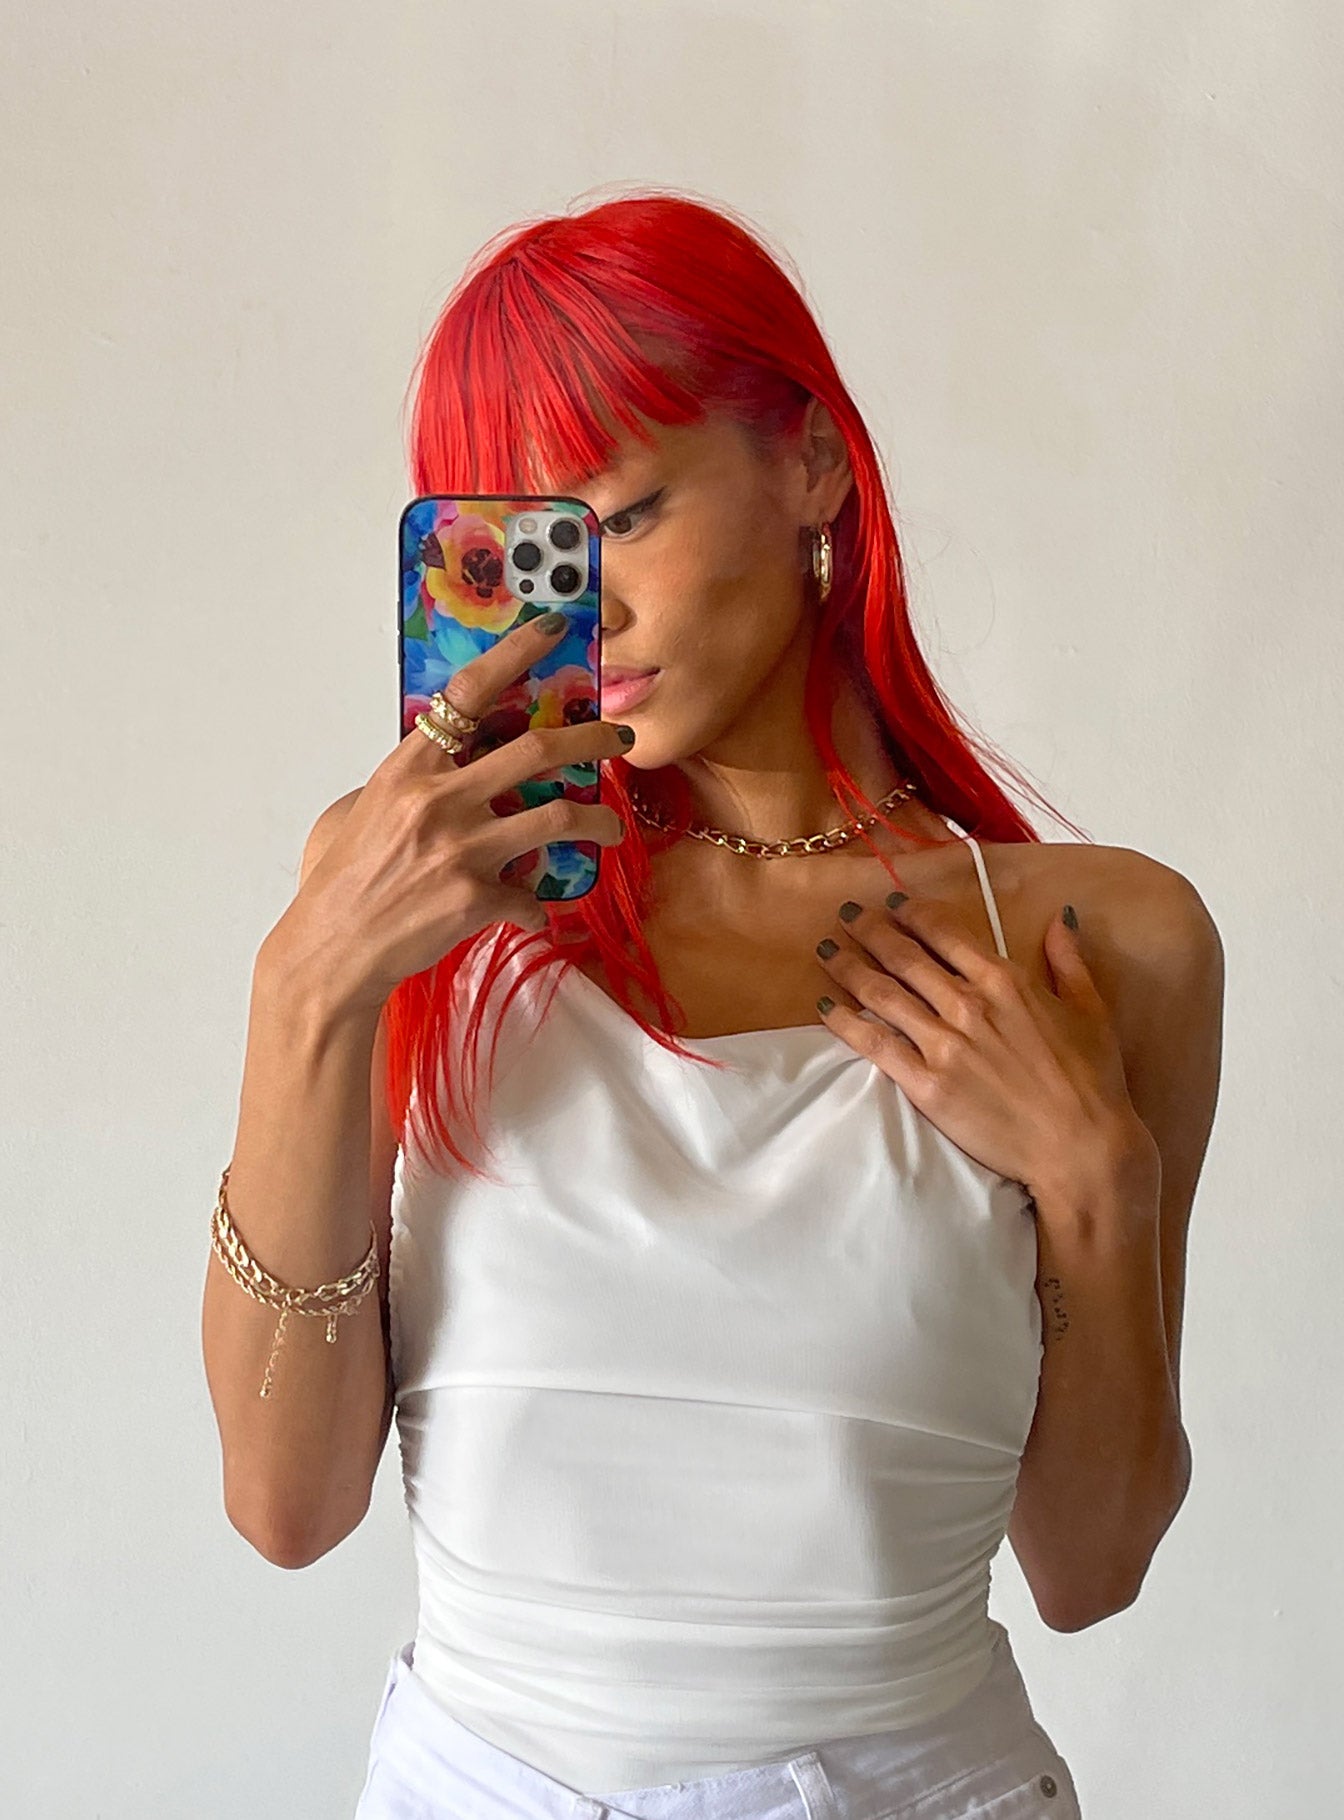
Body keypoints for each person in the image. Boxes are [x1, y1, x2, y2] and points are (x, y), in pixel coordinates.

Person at [203, 191, 1205, 1819]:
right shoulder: (420, 902)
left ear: (810, 461)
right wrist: (304, 988)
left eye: (625, 517)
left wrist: (1099, 1183)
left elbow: (1091, 1567)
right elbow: (283, 1503)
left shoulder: (1108, 943)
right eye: (524, 551)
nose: (578, 615)